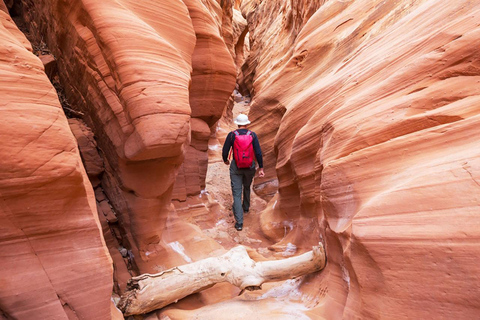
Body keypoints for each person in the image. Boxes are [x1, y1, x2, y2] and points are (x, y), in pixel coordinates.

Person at [222, 114, 264, 231]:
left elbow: (225, 150)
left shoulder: (232, 135)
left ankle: (239, 223)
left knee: (236, 193)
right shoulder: (252, 135)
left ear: (237, 124)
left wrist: (225, 160)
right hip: (250, 166)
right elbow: (258, 152)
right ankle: (246, 207)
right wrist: (261, 167)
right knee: (247, 186)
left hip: (236, 166)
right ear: (247, 124)